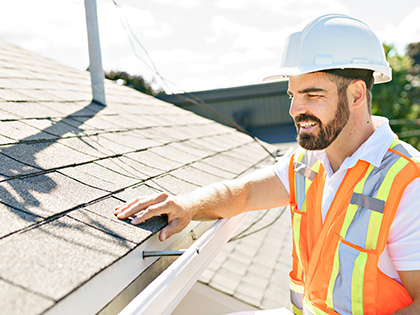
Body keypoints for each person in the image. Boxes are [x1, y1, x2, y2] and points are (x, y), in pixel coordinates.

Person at [114, 14, 420, 314]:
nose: (295, 109)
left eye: (312, 94)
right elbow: (245, 193)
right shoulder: (308, 162)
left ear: (356, 94)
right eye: (292, 94)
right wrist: (187, 205)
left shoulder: (407, 182)